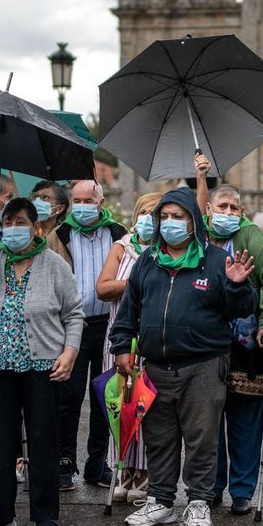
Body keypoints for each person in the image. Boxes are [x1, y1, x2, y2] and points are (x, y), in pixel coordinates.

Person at [111, 187, 257, 526]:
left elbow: (243, 308)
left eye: (179, 217)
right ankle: (161, 502)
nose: (170, 223)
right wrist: (121, 346)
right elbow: (130, 308)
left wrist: (237, 285)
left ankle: (199, 502)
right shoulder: (148, 260)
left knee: (201, 437)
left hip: (204, 365)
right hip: (156, 366)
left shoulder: (217, 260)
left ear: (194, 222)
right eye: (164, 216)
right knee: (158, 438)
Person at [0, 196, 82, 526]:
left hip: (42, 365)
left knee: (42, 440)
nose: (13, 229)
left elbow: (74, 314)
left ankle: (45, 516)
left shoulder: (54, 263)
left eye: (21, 222)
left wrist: (69, 353)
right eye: (8, 222)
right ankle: (1, 513)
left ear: (35, 227)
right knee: (0, 440)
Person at [194, 161, 263, 517]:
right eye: (222, 207)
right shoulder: (197, 236)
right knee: (207, 420)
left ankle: (243, 490)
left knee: (246, 420)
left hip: (248, 345)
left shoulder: (251, 238)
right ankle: (212, 487)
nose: (229, 213)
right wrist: (201, 177)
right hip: (204, 343)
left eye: (235, 208)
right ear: (209, 210)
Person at [46, 179, 124, 491]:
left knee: (105, 396)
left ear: (101, 203)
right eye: (76, 201)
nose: (82, 206)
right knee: (69, 396)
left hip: (108, 325)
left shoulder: (118, 234)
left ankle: (97, 464)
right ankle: (64, 462)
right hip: (73, 327)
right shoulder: (59, 235)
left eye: (88, 200)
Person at [95, 192, 162, 502]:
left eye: (155, 213)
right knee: (120, 404)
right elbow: (104, 287)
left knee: (146, 406)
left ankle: (145, 474)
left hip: (150, 340)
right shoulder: (123, 247)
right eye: (144, 212)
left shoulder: (166, 251)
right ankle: (122, 469)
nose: (149, 218)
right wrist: (136, 280)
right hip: (120, 337)